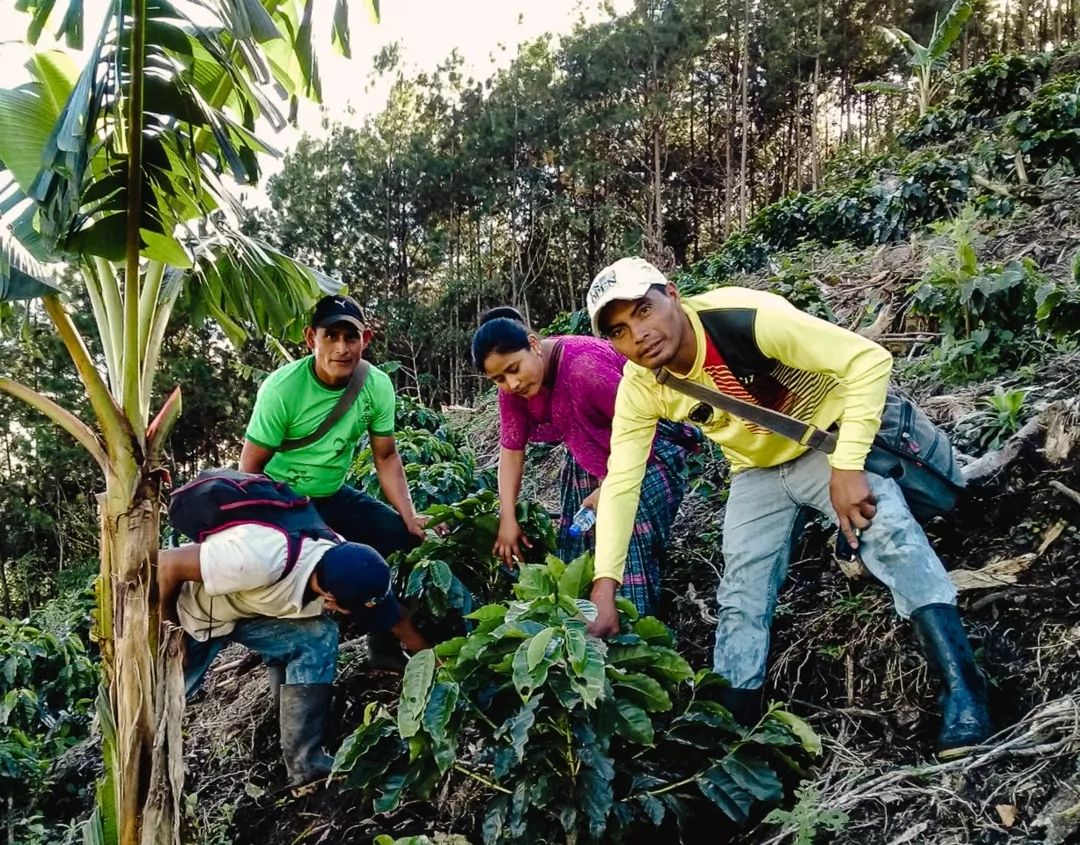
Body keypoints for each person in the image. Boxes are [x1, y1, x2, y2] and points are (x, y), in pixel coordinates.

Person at [583, 256, 992, 758]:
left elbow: (866, 360)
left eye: (644, 310)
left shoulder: (746, 318)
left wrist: (847, 467)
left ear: (672, 293)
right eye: (620, 330)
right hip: (756, 471)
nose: (639, 334)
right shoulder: (642, 385)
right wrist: (607, 583)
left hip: (829, 441)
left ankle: (964, 689)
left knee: (888, 535)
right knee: (741, 592)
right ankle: (736, 738)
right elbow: (623, 480)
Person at [158, 523, 428, 787]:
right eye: (348, 610)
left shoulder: (346, 565)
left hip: (240, 613)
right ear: (330, 597)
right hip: (189, 616)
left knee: (317, 636)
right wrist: (171, 631)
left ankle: (305, 765)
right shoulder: (259, 559)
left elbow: (397, 621)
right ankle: (148, 776)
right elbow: (167, 564)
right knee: (162, 698)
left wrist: (433, 663)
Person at [240, 294, 426, 665]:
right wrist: (285, 537)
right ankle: (285, 663)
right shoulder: (282, 390)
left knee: (401, 538)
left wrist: (410, 514)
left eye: (351, 337)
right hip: (282, 502)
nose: (341, 348)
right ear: (311, 338)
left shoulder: (376, 385)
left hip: (332, 493)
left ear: (366, 339)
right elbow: (249, 473)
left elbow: (386, 457)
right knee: (339, 570)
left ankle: (383, 648)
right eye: (331, 336)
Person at [471, 306, 690, 616]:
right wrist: (507, 517)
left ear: (534, 344)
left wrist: (608, 489)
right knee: (579, 543)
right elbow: (511, 449)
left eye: (515, 369)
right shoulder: (512, 390)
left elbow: (643, 429)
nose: (512, 383)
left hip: (649, 449)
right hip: (592, 452)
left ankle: (636, 631)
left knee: (625, 543)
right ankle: (586, 623)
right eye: (499, 379)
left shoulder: (585, 368)